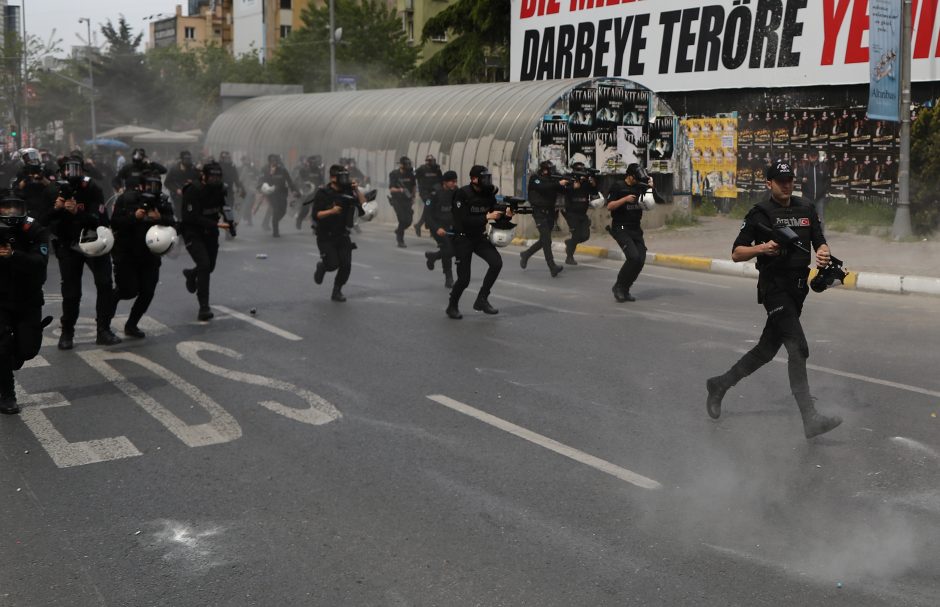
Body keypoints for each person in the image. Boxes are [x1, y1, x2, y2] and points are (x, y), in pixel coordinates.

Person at [705, 161, 842, 439]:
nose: (787, 184)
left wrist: (824, 253)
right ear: (769, 184)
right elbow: (736, 253)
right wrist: (762, 248)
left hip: (797, 290)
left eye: (790, 179)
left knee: (766, 351)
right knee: (798, 348)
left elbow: (819, 240)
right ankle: (810, 419)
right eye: (780, 181)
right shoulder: (760, 214)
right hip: (774, 288)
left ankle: (720, 384)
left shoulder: (806, 208)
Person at [47, 158, 122, 349]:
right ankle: (67, 333)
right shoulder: (53, 190)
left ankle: (103, 330)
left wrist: (76, 213)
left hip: (93, 242)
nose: (71, 173)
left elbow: (99, 219)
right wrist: (55, 209)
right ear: (61, 172)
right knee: (71, 292)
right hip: (68, 245)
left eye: (76, 169)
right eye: (67, 170)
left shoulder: (91, 189)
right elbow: (43, 221)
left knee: (105, 284)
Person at [0, 194, 51, 414]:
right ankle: (7, 395)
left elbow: (39, 263)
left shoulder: (34, 230)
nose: (11, 214)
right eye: (6, 209)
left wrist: (14, 255)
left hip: (28, 298)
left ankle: (12, 355)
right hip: (0, 300)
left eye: (15, 209)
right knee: (1, 347)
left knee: (27, 350)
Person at [108, 177, 176, 338]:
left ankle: (131, 324)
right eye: (148, 185)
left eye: (156, 185)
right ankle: (103, 324)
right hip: (127, 254)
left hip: (150, 256)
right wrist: (134, 216)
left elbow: (174, 224)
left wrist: (159, 218)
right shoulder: (127, 199)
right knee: (127, 290)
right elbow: (115, 222)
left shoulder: (162, 202)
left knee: (148, 291)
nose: (152, 189)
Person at [446, 165, 510, 319]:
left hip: (478, 237)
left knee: (496, 263)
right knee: (464, 279)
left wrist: (506, 214)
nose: (486, 181)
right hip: (462, 238)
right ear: (474, 179)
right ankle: (452, 306)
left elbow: (496, 213)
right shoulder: (462, 194)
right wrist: (487, 217)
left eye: (488, 177)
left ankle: (482, 299)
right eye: (483, 177)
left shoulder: (488, 194)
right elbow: (463, 220)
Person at [181, 162, 232, 321]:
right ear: (204, 176)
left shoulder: (220, 189)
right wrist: (216, 224)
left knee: (209, 267)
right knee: (204, 265)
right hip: (193, 232)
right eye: (212, 176)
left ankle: (191, 274)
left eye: (218, 176)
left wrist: (231, 223)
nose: (215, 179)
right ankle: (204, 307)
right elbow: (190, 217)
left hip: (211, 232)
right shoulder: (193, 190)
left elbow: (225, 207)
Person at [606, 163, 662, 302]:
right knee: (633, 257)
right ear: (629, 176)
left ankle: (625, 288)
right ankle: (618, 287)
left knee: (640, 260)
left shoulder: (640, 187)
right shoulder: (618, 186)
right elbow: (609, 206)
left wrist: (651, 187)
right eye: (635, 178)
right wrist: (624, 199)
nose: (637, 181)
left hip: (635, 228)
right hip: (621, 228)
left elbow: (659, 200)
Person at [311, 165, 366, 302]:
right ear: (333, 178)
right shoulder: (323, 193)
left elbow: (363, 206)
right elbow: (316, 215)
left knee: (346, 264)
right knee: (333, 264)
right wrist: (331, 211)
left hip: (343, 235)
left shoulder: (348, 190)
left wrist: (356, 189)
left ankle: (337, 291)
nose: (345, 179)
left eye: (346, 176)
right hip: (325, 236)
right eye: (342, 176)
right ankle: (323, 266)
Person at [519, 160, 567, 277]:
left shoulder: (552, 180)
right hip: (539, 213)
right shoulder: (535, 179)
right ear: (544, 170)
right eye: (549, 170)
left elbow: (563, 190)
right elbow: (544, 187)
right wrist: (558, 183)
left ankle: (526, 254)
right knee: (547, 240)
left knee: (544, 240)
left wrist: (573, 184)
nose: (551, 172)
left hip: (550, 213)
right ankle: (552, 267)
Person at [423, 170, 458, 289]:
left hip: (451, 226)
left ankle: (433, 257)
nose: (454, 183)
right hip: (437, 226)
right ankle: (449, 278)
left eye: (455, 181)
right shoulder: (434, 193)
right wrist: (437, 228)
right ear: (445, 182)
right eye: (452, 181)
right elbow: (427, 215)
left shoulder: (455, 192)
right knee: (447, 248)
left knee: (456, 250)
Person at [562, 161, 598, 265]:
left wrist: (593, 183)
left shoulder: (585, 182)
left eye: (581, 170)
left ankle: (570, 243)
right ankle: (569, 257)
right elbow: (562, 190)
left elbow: (594, 192)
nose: (580, 173)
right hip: (571, 213)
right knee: (576, 235)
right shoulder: (569, 179)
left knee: (585, 236)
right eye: (578, 170)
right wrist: (573, 187)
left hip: (583, 213)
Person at [256, 154, 298, 237]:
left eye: (275, 161)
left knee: (283, 211)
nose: (274, 162)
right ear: (269, 161)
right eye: (272, 161)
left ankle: (274, 221)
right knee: (275, 209)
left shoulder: (283, 170)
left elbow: (290, 181)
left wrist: (295, 191)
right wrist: (261, 187)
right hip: (271, 193)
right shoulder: (265, 169)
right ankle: (276, 231)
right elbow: (260, 180)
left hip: (282, 192)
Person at [388, 156, 417, 247]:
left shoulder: (411, 174)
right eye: (406, 164)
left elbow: (413, 186)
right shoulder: (394, 174)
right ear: (401, 165)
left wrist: (413, 197)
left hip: (407, 200)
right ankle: (400, 240)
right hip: (397, 200)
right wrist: (400, 190)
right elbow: (391, 189)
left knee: (408, 221)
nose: (408, 166)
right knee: (402, 219)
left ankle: (399, 230)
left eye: (408, 164)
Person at [165, 150, 202, 221]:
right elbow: (167, 182)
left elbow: (200, 180)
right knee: (179, 212)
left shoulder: (194, 169)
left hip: (191, 195)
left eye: (189, 159)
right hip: (177, 195)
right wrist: (176, 190)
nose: (188, 161)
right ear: (182, 159)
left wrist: (193, 182)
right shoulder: (174, 169)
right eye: (186, 159)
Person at [413, 154, 443, 237]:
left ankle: (422, 225)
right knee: (428, 206)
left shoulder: (437, 169)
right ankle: (423, 226)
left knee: (431, 209)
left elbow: (441, 181)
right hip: (425, 193)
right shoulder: (422, 169)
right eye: (429, 161)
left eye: (432, 161)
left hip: (435, 193)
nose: (431, 162)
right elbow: (413, 177)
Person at [800, 149, 831, 229]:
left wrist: (824, 191)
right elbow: (796, 177)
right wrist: (801, 179)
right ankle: (807, 235)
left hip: (820, 197)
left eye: (814, 156)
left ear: (817, 156)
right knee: (805, 218)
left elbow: (827, 180)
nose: (813, 157)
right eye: (811, 156)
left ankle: (821, 237)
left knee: (820, 218)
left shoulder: (823, 166)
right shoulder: (804, 167)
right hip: (807, 196)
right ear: (808, 156)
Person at [295, 155, 324, 230]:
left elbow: (322, 181)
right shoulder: (305, 170)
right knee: (305, 210)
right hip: (308, 193)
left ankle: (315, 226)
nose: (314, 164)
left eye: (315, 162)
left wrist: (322, 186)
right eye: (312, 162)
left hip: (316, 193)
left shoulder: (318, 171)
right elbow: (300, 180)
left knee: (316, 211)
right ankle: (299, 219)